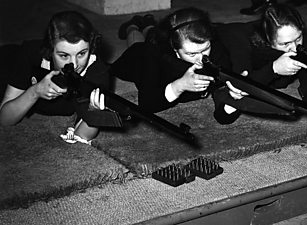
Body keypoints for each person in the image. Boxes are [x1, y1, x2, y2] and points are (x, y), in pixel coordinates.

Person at [213, 3, 307, 124]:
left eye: (298, 38)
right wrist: (273, 68)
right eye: (285, 43)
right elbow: (226, 112)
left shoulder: (302, 43)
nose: (295, 48)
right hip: (218, 39)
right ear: (268, 39)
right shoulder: (240, 41)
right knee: (228, 105)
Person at [0, 11, 110, 144]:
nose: (74, 64)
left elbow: (82, 135)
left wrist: (95, 113)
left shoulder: (98, 71)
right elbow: (5, 119)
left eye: (81, 53)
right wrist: (34, 92)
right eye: (64, 55)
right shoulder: (30, 55)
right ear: (50, 49)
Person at [111, 7, 232, 113]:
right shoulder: (154, 55)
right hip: (138, 58)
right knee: (138, 46)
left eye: (205, 49)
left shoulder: (213, 45)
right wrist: (178, 86)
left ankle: (149, 25)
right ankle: (132, 26)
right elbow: (147, 104)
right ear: (174, 48)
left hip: (162, 40)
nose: (201, 58)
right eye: (191, 53)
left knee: (153, 32)